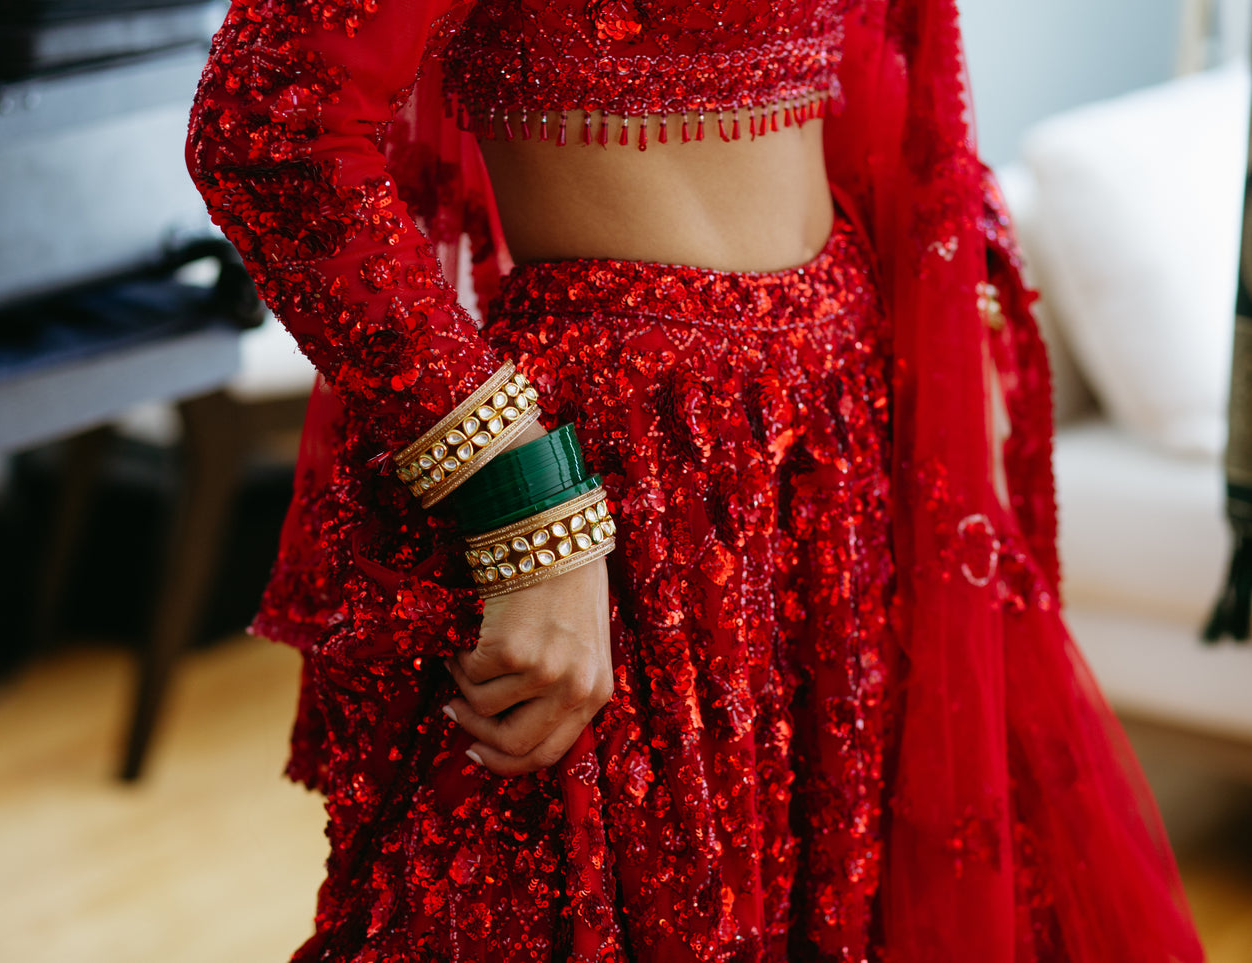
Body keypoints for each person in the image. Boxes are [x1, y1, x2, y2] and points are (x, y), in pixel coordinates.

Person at [185, 0, 1208, 959]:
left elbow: (890, 94)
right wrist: (526, 508)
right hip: (626, 470)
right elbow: (270, 129)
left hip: (847, 440)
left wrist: (950, 396)